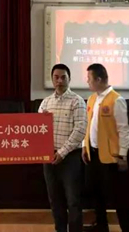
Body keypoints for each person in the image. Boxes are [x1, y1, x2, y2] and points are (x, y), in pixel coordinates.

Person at [82, 63, 129, 232]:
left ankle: (127, 229)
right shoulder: (92, 99)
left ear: (98, 79)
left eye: (89, 78)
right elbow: (88, 125)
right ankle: (101, 226)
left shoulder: (116, 100)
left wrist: (123, 155)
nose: (87, 81)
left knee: (118, 197)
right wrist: (84, 146)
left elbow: (123, 130)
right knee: (97, 194)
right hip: (93, 154)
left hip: (111, 157)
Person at [39, 64, 87, 232]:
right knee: (55, 200)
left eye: (63, 77)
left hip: (70, 158)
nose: (59, 80)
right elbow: (37, 129)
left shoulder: (77, 101)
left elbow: (80, 130)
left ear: (69, 79)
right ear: (52, 79)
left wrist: (62, 152)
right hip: (49, 158)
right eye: (56, 77)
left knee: (73, 201)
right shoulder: (46, 103)